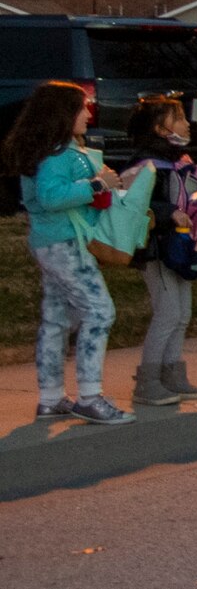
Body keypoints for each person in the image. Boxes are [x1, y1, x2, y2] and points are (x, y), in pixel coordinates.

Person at [2, 81, 134, 424]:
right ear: (64, 114)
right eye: (83, 107)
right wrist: (97, 185)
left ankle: (50, 398)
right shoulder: (57, 157)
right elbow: (51, 196)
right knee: (99, 312)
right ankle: (89, 396)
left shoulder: (52, 152)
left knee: (56, 319)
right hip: (66, 243)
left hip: (51, 241)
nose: (89, 113)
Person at [124, 96, 197, 407]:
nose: (186, 123)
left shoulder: (177, 161)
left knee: (182, 313)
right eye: (177, 118)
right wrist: (167, 214)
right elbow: (135, 204)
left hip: (178, 248)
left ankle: (172, 374)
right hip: (158, 250)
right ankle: (148, 381)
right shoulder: (146, 166)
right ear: (161, 128)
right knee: (168, 312)